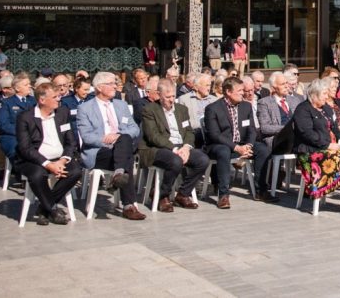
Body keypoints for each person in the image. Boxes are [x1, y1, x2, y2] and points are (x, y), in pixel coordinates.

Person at [292, 79, 340, 214]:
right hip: (310, 152)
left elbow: (335, 128)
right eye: (323, 94)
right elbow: (307, 134)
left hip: (329, 150)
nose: (326, 96)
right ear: (314, 95)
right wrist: (327, 145)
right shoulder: (303, 110)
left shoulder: (326, 109)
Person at [76, 71, 145, 220]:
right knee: (127, 155)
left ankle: (119, 174)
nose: (116, 86)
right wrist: (107, 139)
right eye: (111, 83)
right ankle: (129, 205)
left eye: (115, 83)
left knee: (125, 139)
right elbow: (87, 137)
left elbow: (134, 128)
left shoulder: (121, 105)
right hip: (98, 151)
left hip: (120, 147)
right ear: (99, 88)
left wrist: (118, 138)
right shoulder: (85, 108)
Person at [14, 82, 84, 225]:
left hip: (59, 158)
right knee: (37, 175)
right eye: (55, 97)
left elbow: (71, 142)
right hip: (34, 160)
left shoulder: (62, 113)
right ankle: (52, 209)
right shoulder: (25, 117)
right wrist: (48, 164)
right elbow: (25, 148)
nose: (59, 99)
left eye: (59, 96)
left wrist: (62, 161)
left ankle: (43, 208)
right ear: (42, 100)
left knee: (75, 171)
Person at [203, 77, 276, 208]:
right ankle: (223, 194)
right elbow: (215, 135)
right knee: (223, 151)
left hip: (242, 144)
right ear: (228, 92)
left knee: (263, 149)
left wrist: (249, 145)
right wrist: (236, 147)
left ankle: (261, 190)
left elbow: (252, 130)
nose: (243, 93)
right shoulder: (213, 109)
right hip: (220, 145)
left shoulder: (246, 106)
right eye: (240, 90)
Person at [138, 79, 208, 211]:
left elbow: (188, 131)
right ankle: (162, 195)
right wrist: (174, 149)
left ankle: (183, 194)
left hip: (181, 146)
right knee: (175, 161)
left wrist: (187, 147)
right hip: (157, 148)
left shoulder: (182, 109)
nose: (171, 100)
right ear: (159, 95)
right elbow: (153, 136)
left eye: (173, 96)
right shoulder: (150, 110)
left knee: (203, 160)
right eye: (167, 97)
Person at [257, 70, 303, 155]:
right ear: (274, 87)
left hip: (297, 137)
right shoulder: (264, 102)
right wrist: (287, 129)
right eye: (282, 84)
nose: (286, 86)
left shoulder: (295, 100)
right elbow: (265, 128)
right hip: (277, 139)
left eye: (286, 83)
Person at [0, 73, 35, 162]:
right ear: (17, 88)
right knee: (18, 154)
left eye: (29, 84)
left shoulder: (34, 101)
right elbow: (4, 125)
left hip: (32, 136)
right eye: (26, 85)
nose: (30, 86)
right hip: (12, 137)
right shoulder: (6, 103)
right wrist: (22, 133)